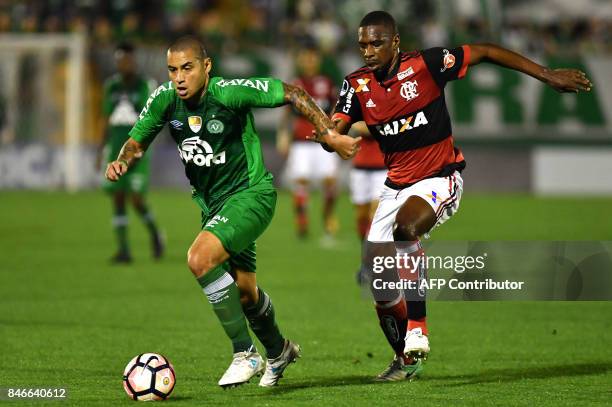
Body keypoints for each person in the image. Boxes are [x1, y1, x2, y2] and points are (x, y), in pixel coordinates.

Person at [330, 11, 592, 381]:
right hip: (395, 186)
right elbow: (335, 125)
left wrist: (546, 74)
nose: (368, 51)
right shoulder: (356, 84)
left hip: (440, 178)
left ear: (395, 41)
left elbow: (483, 51)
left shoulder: (427, 64)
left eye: (376, 43)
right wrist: (332, 138)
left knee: (407, 229)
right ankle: (404, 360)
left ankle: (418, 328)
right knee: (380, 284)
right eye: (362, 44)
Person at [105, 36, 359, 388]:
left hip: (251, 195)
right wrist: (122, 160)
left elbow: (293, 93)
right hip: (213, 205)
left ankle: (245, 353)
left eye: (187, 68)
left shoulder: (229, 92)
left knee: (199, 258)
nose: (179, 77)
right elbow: (137, 141)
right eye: (172, 70)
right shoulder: (164, 99)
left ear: (206, 67)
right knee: (244, 293)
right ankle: (279, 349)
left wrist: (327, 132)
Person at [99, 42, 164, 264]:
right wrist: (101, 150)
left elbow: (151, 120)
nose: (124, 64)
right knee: (117, 198)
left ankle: (155, 233)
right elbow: (105, 120)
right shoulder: (111, 87)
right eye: (120, 60)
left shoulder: (145, 85)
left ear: (134, 61)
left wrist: (140, 151)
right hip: (114, 149)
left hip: (136, 150)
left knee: (136, 200)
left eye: (127, 60)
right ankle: (124, 250)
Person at [277, 44, 339, 241]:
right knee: (301, 180)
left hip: (324, 140)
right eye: (305, 58)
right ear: (300, 61)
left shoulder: (327, 83)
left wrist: (337, 135)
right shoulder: (295, 83)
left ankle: (328, 215)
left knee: (330, 181)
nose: (309, 62)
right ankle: (302, 220)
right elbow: (286, 112)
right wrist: (283, 135)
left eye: (312, 58)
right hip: (301, 141)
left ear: (318, 60)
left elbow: (337, 109)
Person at [348, 122, 387, 283]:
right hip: (360, 167)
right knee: (361, 216)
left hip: (382, 167)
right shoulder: (360, 100)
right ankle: (366, 260)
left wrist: (366, 127)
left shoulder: (388, 103)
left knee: (375, 214)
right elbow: (354, 125)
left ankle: (370, 264)